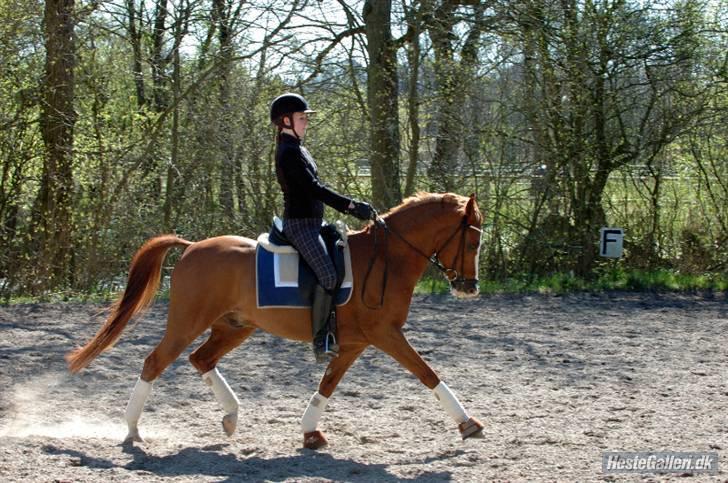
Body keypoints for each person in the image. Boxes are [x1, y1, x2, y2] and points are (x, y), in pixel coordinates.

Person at [270, 92, 374, 362]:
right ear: (286, 120)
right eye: (302, 118)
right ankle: (321, 339)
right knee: (327, 276)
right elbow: (314, 189)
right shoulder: (288, 152)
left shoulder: (300, 149)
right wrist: (350, 206)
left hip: (315, 223)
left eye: (305, 118)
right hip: (300, 226)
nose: (306, 123)